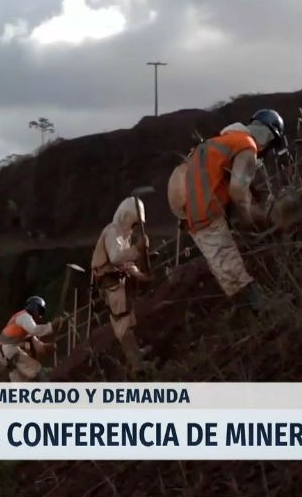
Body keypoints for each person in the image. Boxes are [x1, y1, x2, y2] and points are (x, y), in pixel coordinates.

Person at [166, 109, 285, 310]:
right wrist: (249, 222)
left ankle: (247, 308)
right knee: (228, 263)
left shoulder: (223, 141)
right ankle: (263, 307)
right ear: (268, 136)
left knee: (222, 262)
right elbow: (238, 191)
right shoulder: (247, 146)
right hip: (203, 209)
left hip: (188, 204)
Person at [90, 196, 153, 374]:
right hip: (111, 285)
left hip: (118, 282)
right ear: (126, 218)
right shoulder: (112, 233)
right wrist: (136, 249)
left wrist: (140, 275)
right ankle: (138, 367)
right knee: (123, 323)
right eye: (134, 224)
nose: (134, 228)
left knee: (128, 319)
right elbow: (116, 257)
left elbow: (124, 263)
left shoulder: (123, 234)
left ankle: (136, 354)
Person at [0, 296, 60, 382]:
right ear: (34, 307)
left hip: (6, 353)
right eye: (40, 311)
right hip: (9, 350)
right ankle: (47, 389)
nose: (40, 316)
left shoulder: (23, 324)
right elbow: (34, 330)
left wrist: (45, 347)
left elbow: (34, 340)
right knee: (36, 369)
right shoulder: (24, 316)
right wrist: (51, 327)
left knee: (20, 382)